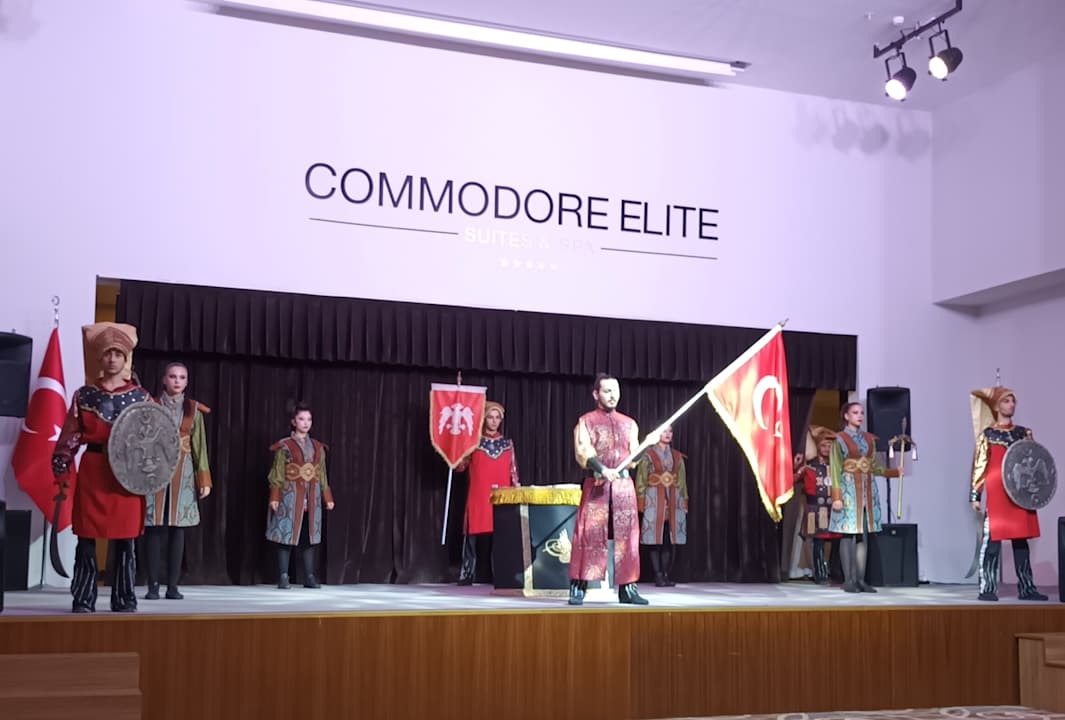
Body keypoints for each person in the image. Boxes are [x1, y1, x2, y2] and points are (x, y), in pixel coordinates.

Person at [52, 322, 150, 613]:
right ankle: (83, 597)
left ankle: (124, 598)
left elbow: (153, 441)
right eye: (107, 353)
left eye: (118, 354)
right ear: (100, 357)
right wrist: (61, 466)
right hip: (94, 471)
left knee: (125, 540)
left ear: (125, 359)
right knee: (86, 537)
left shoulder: (141, 397)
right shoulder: (84, 395)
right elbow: (71, 435)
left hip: (126, 476)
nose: (112, 359)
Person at [569, 373, 649, 606]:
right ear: (596, 394)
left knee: (628, 537)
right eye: (607, 391)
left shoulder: (629, 423)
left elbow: (633, 457)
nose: (613, 395)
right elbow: (583, 451)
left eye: (615, 391)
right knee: (588, 532)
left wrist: (647, 445)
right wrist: (602, 469)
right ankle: (578, 587)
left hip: (623, 486)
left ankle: (628, 589)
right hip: (597, 484)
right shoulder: (586, 421)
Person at [970, 387, 1047, 601]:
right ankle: (988, 588)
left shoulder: (1024, 433)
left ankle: (1027, 588)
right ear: (997, 406)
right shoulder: (988, 435)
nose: (1011, 405)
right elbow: (980, 465)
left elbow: (1032, 460)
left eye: (1013, 401)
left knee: (1021, 541)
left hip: (1018, 492)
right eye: (1006, 401)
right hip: (997, 493)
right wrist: (975, 495)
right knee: (992, 543)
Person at [143, 362, 212, 600]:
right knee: (153, 526)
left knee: (178, 528)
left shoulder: (193, 409)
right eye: (172, 376)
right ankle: (153, 585)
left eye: (182, 377)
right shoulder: (151, 405)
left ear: (186, 382)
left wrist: (204, 479)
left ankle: (173, 585)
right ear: (164, 379)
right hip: (155, 471)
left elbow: (199, 445)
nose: (177, 381)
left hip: (184, 472)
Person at [828, 402, 902, 593]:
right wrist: (836, 496)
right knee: (849, 533)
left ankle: (860, 579)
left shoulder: (869, 439)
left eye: (861, 413)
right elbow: (835, 469)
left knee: (863, 533)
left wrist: (894, 472)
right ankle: (849, 580)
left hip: (867, 490)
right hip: (848, 490)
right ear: (846, 416)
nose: (859, 416)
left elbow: (874, 467)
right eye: (855, 413)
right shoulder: (839, 439)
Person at [266, 402, 335, 589]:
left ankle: (309, 576)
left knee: (309, 535)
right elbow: (277, 471)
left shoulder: (318, 447)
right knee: (286, 534)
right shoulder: (285, 446)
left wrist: (327, 497)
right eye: (301, 419)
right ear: (294, 421)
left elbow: (322, 474)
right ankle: (283, 575)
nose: (305, 423)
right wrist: (275, 496)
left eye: (309, 419)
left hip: (312, 498)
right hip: (290, 496)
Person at [454, 401, 519, 585]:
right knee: (471, 535)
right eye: (490, 417)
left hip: (501, 496)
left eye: (497, 417)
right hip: (478, 496)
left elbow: (513, 471)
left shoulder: (507, 444)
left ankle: (501, 575)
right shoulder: (473, 442)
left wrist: (515, 492)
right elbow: (460, 467)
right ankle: (467, 573)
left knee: (500, 537)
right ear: (484, 419)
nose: (494, 421)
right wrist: (455, 451)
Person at [634, 424, 687, 587]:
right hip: (653, 498)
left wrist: (684, 501)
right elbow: (641, 479)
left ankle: (665, 574)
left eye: (670, 431)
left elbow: (682, 482)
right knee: (654, 538)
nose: (667, 434)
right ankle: (657, 575)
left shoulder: (677, 456)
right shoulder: (648, 455)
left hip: (673, 499)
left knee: (667, 539)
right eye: (664, 431)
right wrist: (641, 500)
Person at [798, 426, 842, 585]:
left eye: (829, 446)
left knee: (838, 542)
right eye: (823, 445)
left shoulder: (838, 467)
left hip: (834, 510)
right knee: (819, 542)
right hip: (816, 510)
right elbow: (795, 479)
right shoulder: (809, 467)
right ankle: (820, 574)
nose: (826, 449)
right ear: (817, 446)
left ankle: (836, 572)